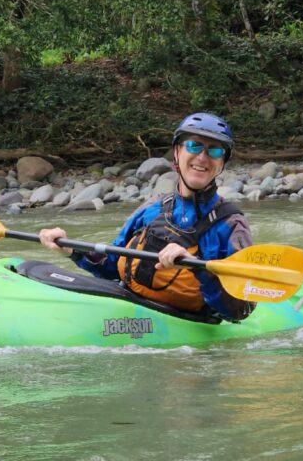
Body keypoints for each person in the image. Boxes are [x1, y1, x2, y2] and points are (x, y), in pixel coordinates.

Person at [39, 112, 256, 322]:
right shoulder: (152, 208)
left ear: (222, 163)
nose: (202, 157)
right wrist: (71, 250)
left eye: (215, 150)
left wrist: (196, 267)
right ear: (177, 152)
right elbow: (111, 265)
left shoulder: (231, 225)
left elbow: (242, 309)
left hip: (190, 326)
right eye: (194, 145)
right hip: (131, 309)